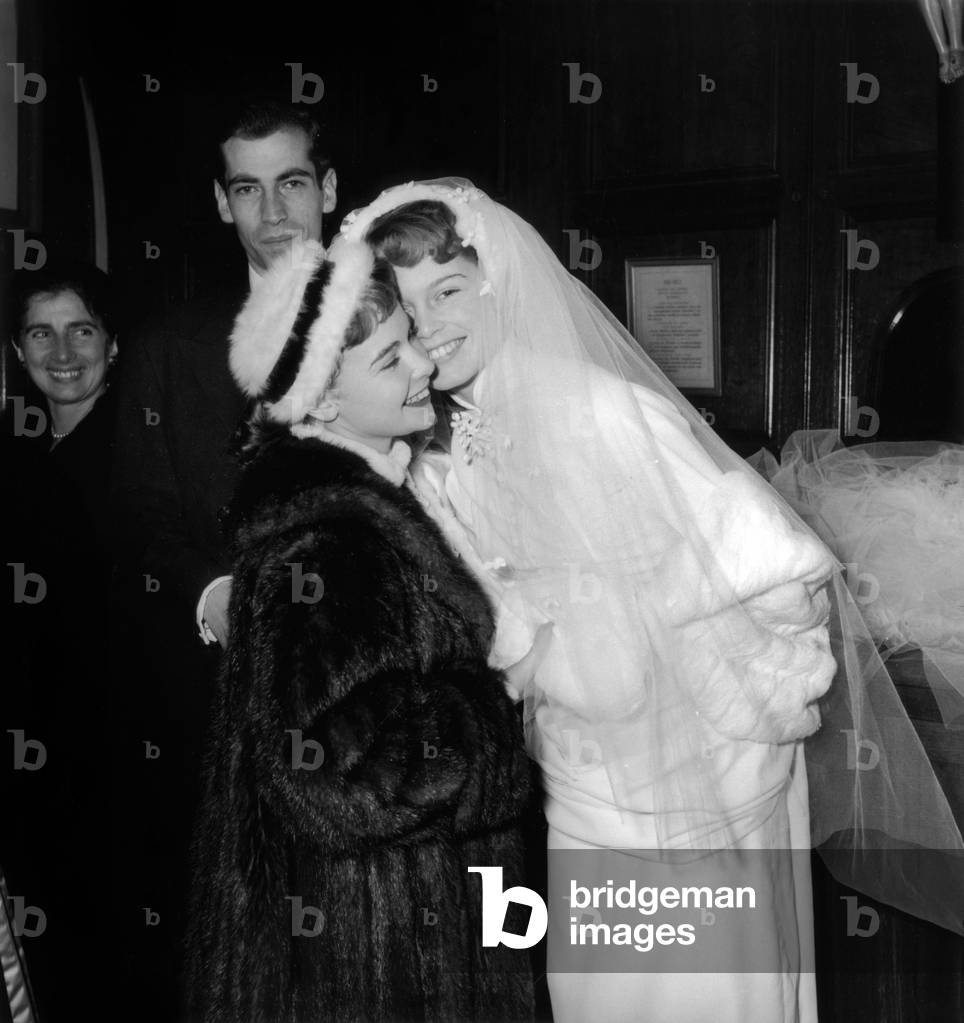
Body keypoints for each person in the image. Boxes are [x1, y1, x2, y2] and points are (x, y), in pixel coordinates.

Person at [338, 180, 964, 1023]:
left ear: (501, 281)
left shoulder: (607, 412)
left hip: (699, 799)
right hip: (579, 792)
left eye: (446, 288)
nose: (430, 322)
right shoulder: (441, 453)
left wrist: (692, 692)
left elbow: (783, 570)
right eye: (406, 309)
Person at [185, 237, 536, 1022]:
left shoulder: (366, 501)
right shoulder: (328, 542)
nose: (422, 363)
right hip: (376, 954)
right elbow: (327, 773)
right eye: (389, 359)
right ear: (323, 404)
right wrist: (488, 730)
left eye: (410, 335)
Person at [109, 98, 337, 1019]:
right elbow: (139, 514)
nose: (273, 211)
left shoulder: (389, 325)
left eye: (291, 183)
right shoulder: (170, 345)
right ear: (221, 202)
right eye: (249, 188)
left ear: (327, 188)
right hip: (222, 712)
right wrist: (213, 594)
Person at [2, 261, 120, 1021]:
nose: (63, 350)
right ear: (17, 352)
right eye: (41, 332)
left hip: (112, 766)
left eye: (82, 328)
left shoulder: (139, 457)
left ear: (115, 345)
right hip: (33, 767)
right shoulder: (18, 456)